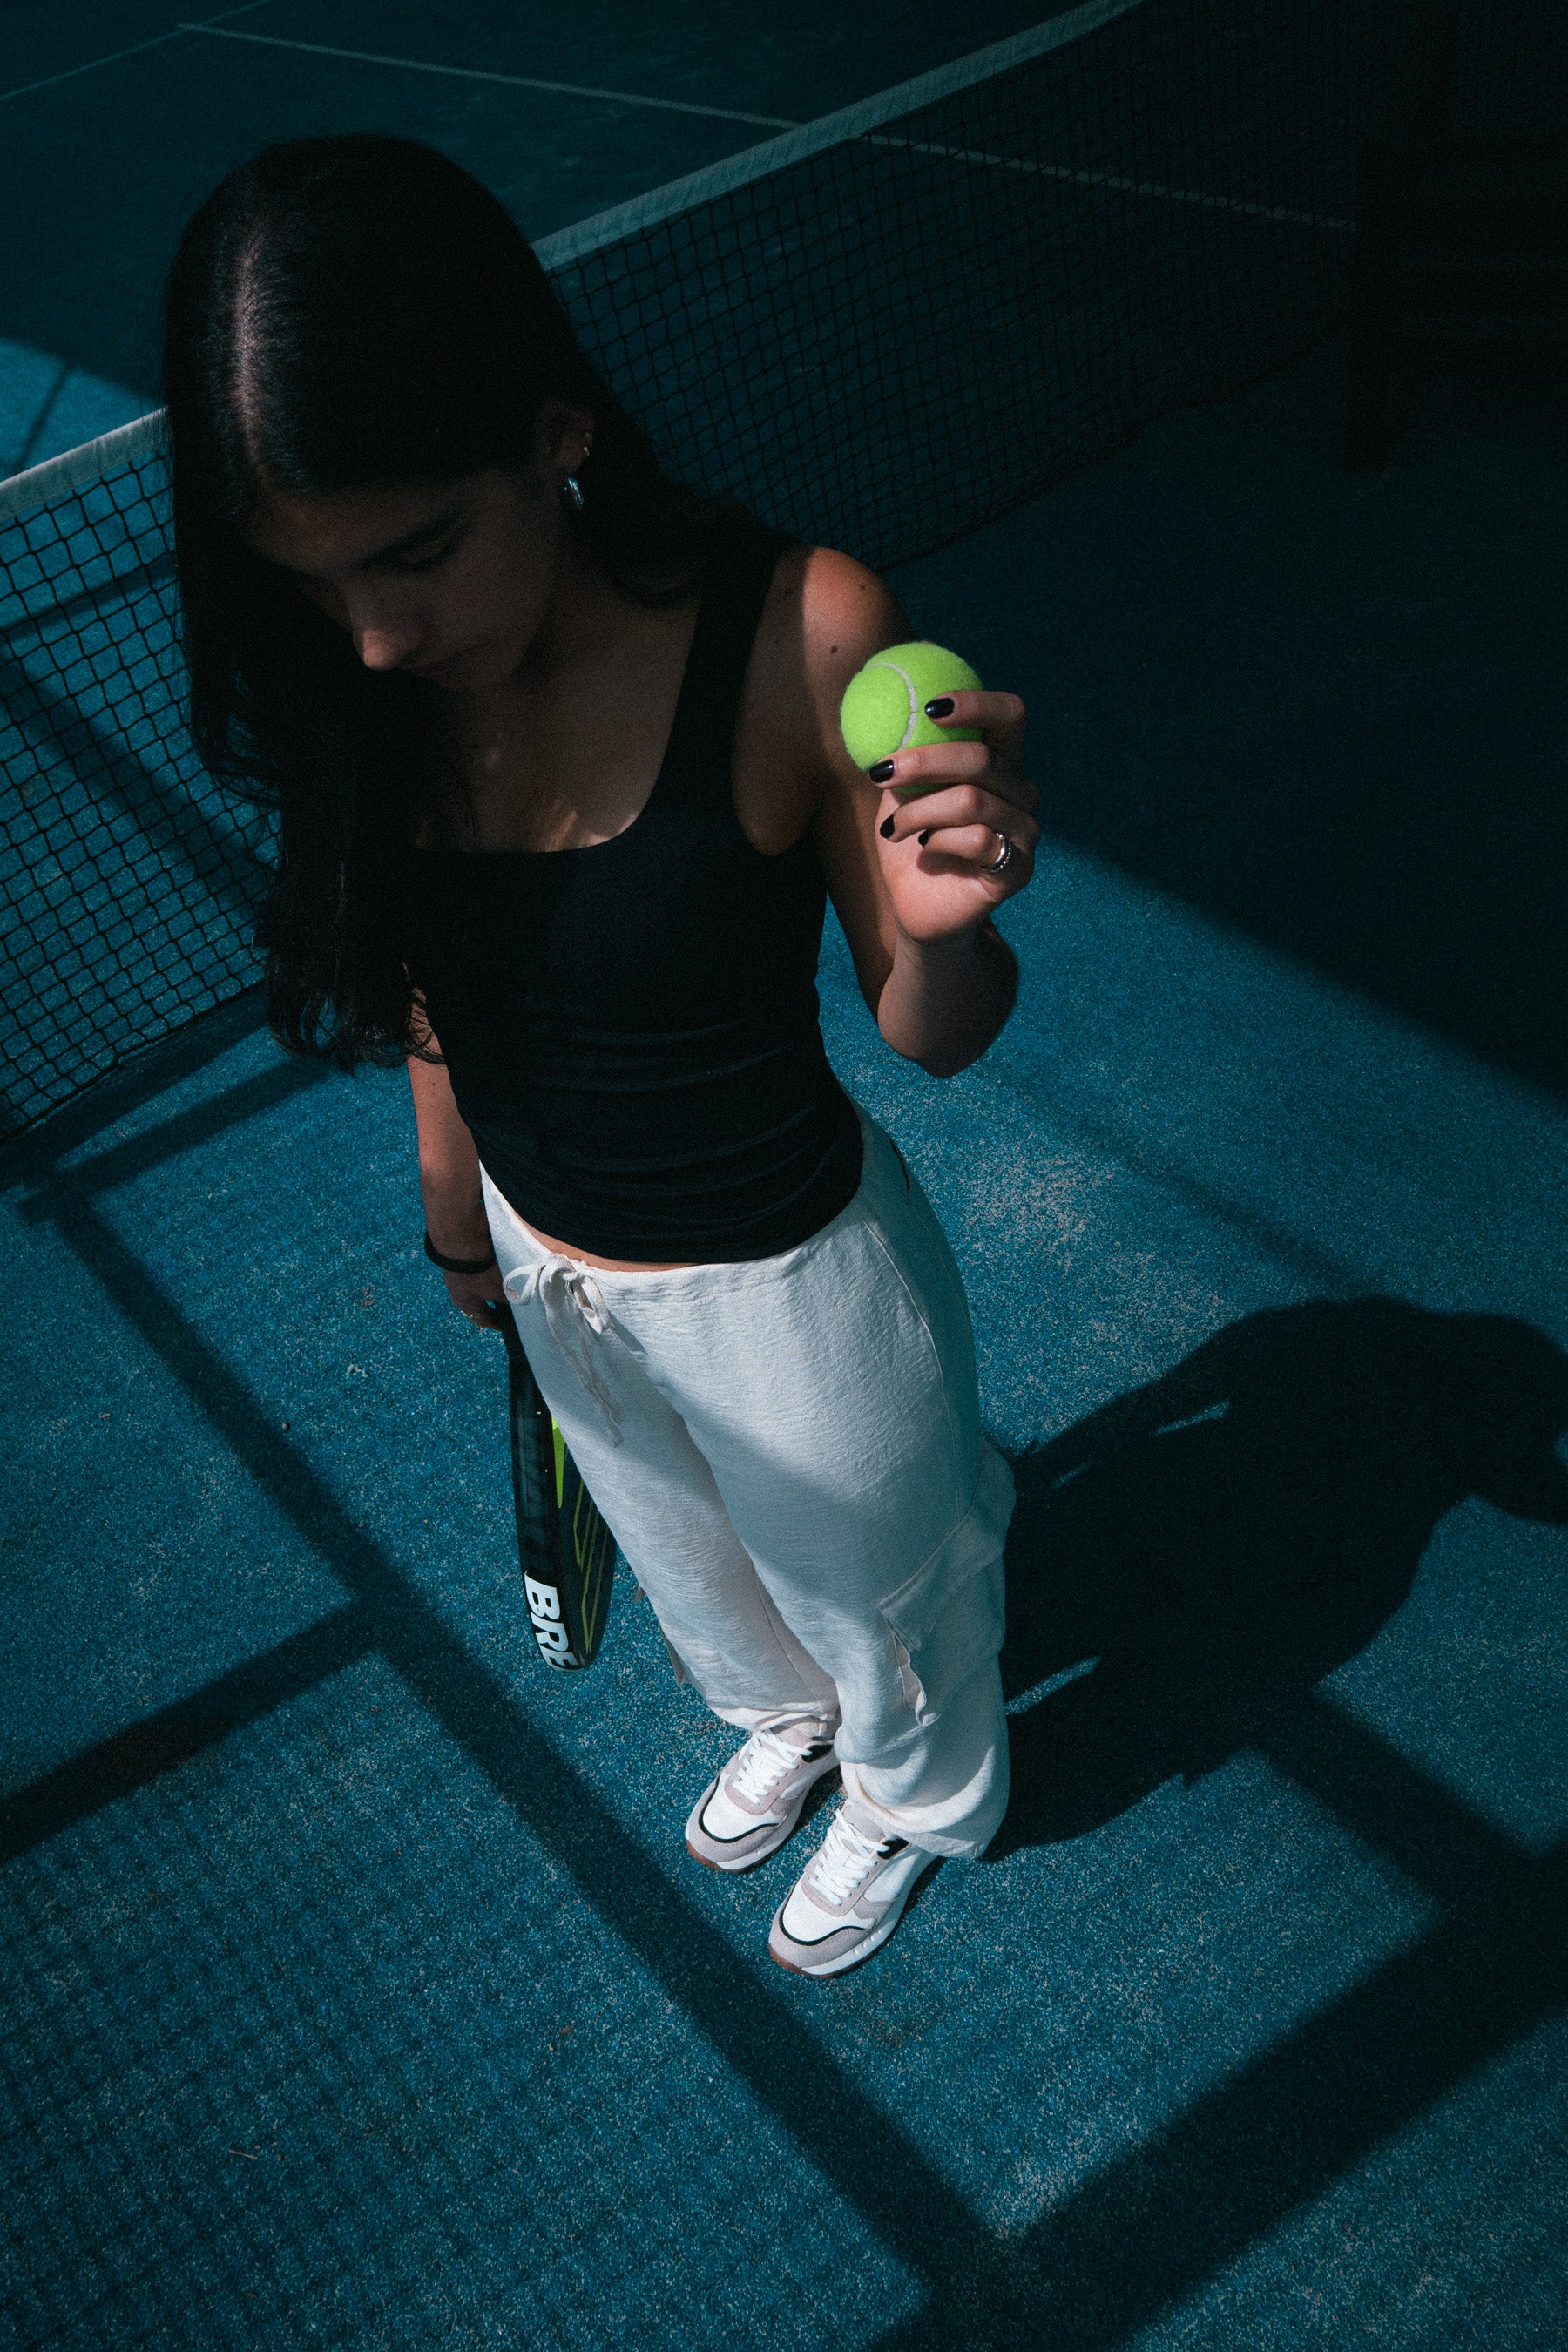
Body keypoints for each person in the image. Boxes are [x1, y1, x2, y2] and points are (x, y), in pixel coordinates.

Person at [164, 135, 1039, 1977]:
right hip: (554, 1265)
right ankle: (791, 1719)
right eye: (313, 586)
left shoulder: (801, 630)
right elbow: (436, 984)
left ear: (552, 429)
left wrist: (953, 928)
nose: (375, 636)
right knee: (703, 1578)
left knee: (886, 1610)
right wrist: (458, 1215)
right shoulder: (373, 696)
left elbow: (935, 1038)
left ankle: (913, 1789)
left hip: (792, 1293)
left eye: (415, 552)